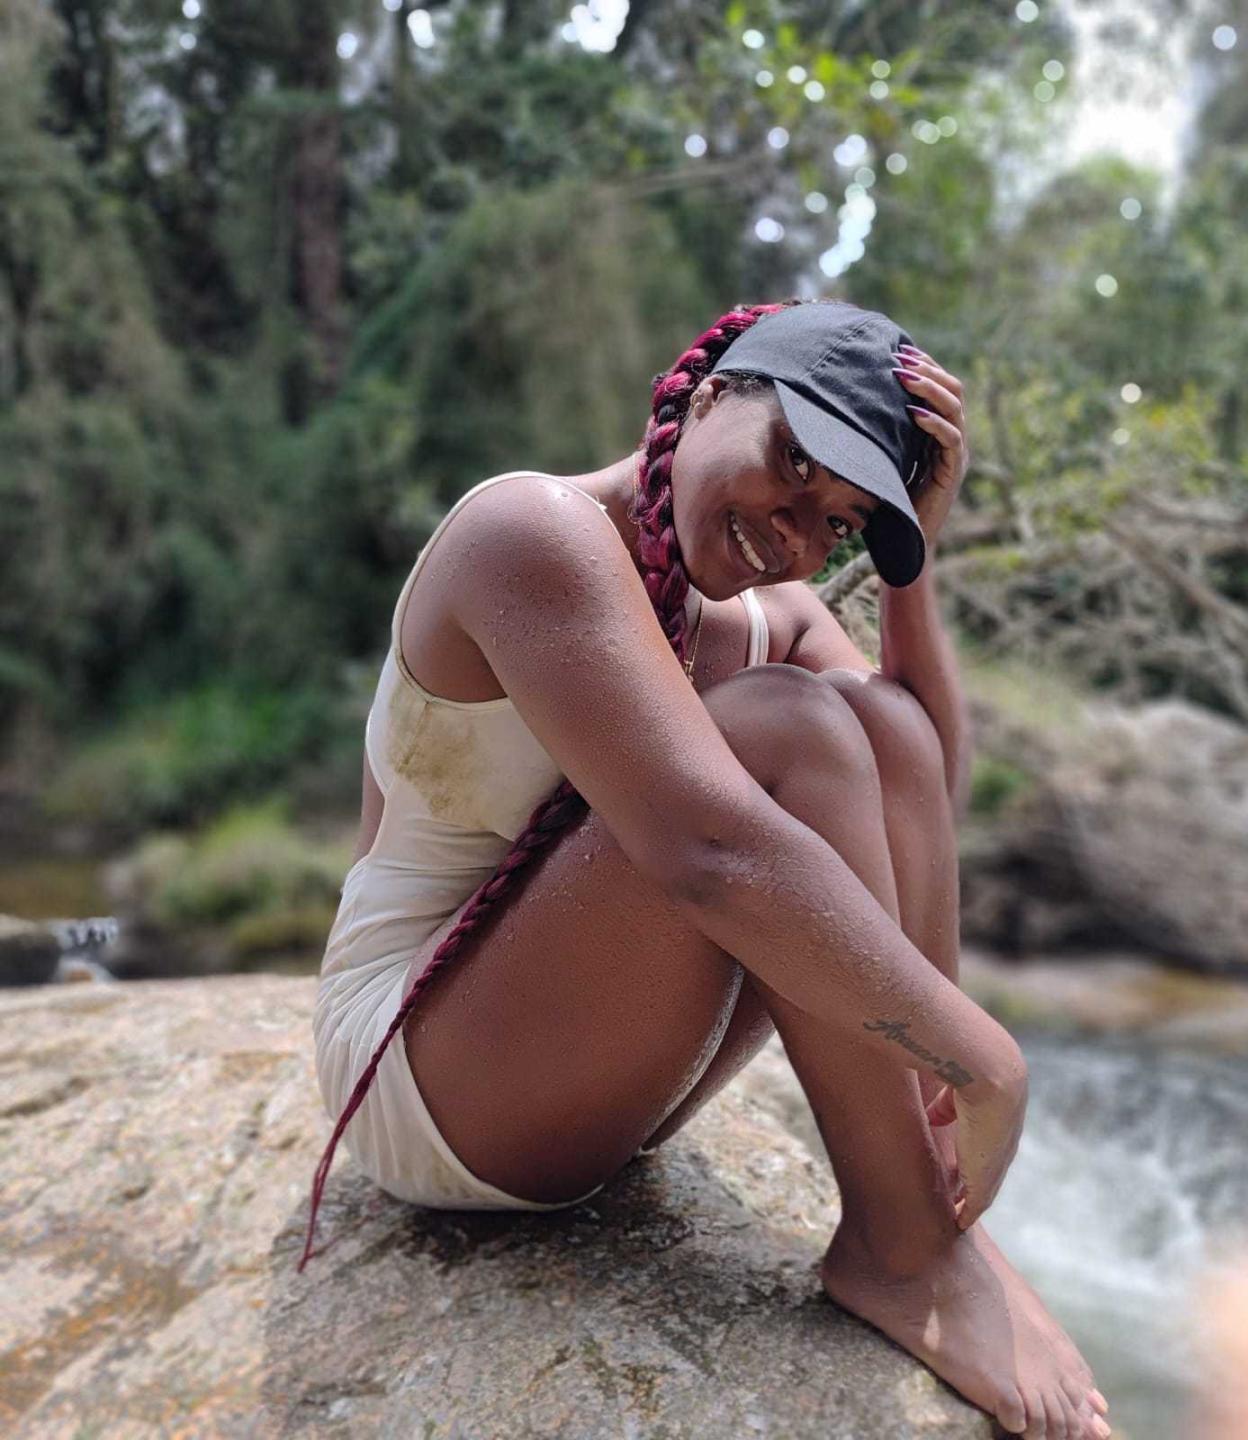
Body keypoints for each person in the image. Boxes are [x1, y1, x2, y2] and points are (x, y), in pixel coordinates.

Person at [302, 297, 1111, 1440]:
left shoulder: (765, 616)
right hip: (422, 1069)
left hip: (574, 1062)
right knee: (795, 729)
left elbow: (919, 774)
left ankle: (925, 1214)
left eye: (837, 524)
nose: (793, 534)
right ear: (713, 391)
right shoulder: (529, 533)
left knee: (868, 726)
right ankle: (903, 1245)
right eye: (795, 464)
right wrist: (984, 1061)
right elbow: (708, 851)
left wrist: (909, 561)